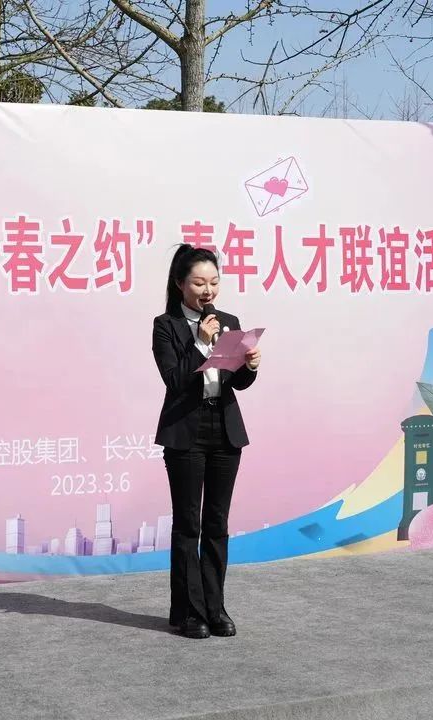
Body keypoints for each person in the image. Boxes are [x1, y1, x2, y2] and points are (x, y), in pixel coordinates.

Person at [151, 244, 261, 639]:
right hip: (186, 432)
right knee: (188, 525)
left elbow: (236, 381)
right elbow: (175, 380)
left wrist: (250, 367)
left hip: (224, 429)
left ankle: (215, 608)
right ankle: (189, 612)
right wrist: (200, 342)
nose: (208, 290)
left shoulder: (228, 322)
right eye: (199, 283)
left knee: (217, 524)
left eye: (214, 282)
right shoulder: (166, 326)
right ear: (180, 284)